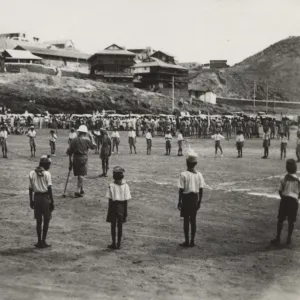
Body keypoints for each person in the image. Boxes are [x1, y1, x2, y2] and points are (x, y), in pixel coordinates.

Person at [178, 149, 204, 247]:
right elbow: (201, 189)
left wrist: (179, 201)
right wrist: (199, 201)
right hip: (194, 199)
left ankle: (187, 241)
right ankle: (192, 241)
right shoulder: (199, 175)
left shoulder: (183, 174)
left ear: (186, 162)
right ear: (196, 163)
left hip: (186, 198)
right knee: (193, 220)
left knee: (186, 219)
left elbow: (181, 190)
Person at [271, 159, 300, 245]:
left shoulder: (283, 178)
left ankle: (278, 238)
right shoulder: (298, 180)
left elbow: (280, 190)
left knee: (280, 219)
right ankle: (288, 239)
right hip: (294, 201)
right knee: (291, 221)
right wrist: (297, 198)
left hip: (285, 200)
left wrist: (283, 198)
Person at [29, 155, 54, 248]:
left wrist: (31, 201)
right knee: (46, 220)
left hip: (36, 198)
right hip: (45, 198)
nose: (49, 166)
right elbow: (49, 189)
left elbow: (30, 189)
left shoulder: (32, 173)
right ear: (45, 164)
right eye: (48, 164)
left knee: (38, 221)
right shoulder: (47, 174)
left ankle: (39, 241)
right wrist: (52, 202)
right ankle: (44, 241)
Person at [67, 125, 96, 197]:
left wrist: (70, 162)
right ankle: (78, 191)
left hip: (75, 158)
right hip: (83, 158)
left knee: (80, 174)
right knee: (81, 175)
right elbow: (94, 146)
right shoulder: (87, 140)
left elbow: (69, 152)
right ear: (85, 133)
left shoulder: (74, 140)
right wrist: (92, 137)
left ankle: (81, 189)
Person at [106, 166, 131, 250]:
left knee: (113, 225)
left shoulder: (111, 186)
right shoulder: (126, 186)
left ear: (114, 177)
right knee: (120, 225)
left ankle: (113, 243)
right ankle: (119, 244)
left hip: (113, 206)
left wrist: (109, 211)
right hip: (122, 207)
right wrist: (126, 212)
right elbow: (126, 200)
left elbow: (110, 200)